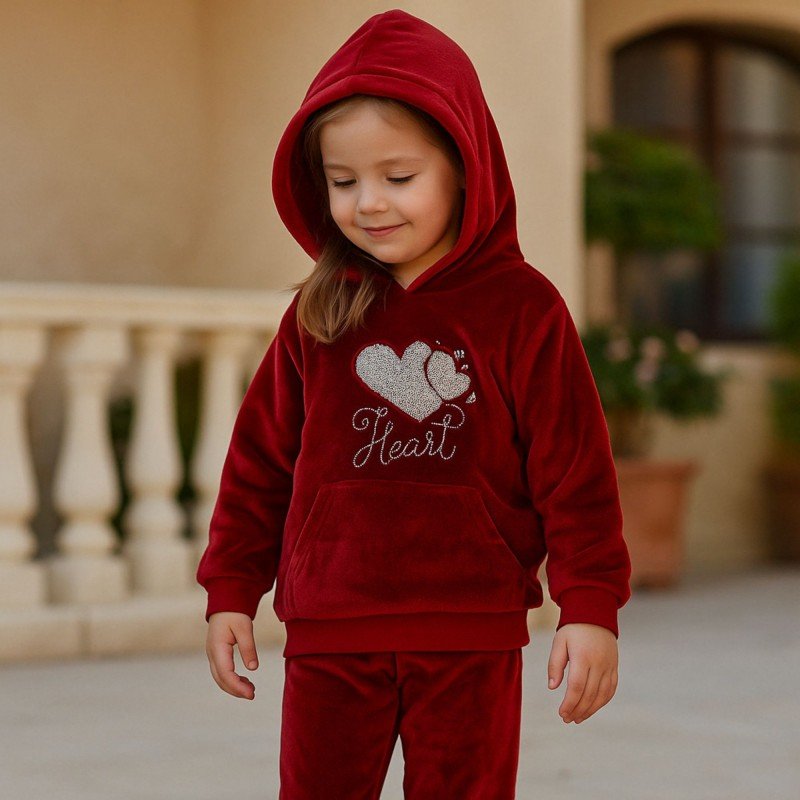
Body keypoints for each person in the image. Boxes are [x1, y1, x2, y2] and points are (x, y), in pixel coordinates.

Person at [196, 8, 632, 799]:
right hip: (330, 629)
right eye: (343, 181)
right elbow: (259, 464)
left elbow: (575, 471)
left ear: (464, 167)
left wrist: (590, 605)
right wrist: (231, 588)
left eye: (398, 178)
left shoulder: (524, 308)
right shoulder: (318, 313)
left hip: (471, 631)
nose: (369, 203)